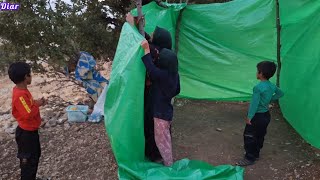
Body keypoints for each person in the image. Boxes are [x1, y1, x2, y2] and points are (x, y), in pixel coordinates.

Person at [126, 12, 174, 162]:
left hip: (156, 101)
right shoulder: (167, 57)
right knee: (159, 128)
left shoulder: (158, 55)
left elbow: (149, 50)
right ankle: (157, 152)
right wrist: (140, 27)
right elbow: (148, 41)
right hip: (159, 102)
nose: (150, 35)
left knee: (153, 126)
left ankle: (156, 154)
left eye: (153, 35)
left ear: (159, 41)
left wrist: (132, 26)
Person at [236, 61, 284, 166]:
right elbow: (281, 93)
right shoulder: (271, 86)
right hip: (266, 116)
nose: (256, 73)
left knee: (249, 136)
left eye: (257, 71)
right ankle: (256, 154)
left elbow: (254, 104)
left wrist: (249, 117)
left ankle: (249, 158)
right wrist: (269, 100)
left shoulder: (258, 88)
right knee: (260, 136)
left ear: (261, 73)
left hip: (256, 117)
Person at [141, 40, 180, 166]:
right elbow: (177, 89)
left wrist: (146, 50)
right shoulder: (174, 75)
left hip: (160, 115)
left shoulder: (162, 75)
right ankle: (167, 160)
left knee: (162, 140)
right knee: (165, 137)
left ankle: (168, 164)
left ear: (163, 63)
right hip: (167, 112)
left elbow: (151, 69)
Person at [8, 62, 46, 180]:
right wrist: (38, 104)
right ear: (26, 77)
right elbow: (28, 113)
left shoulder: (22, 91)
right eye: (30, 74)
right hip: (26, 134)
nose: (31, 76)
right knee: (28, 161)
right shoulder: (20, 95)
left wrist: (35, 102)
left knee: (34, 157)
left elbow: (28, 105)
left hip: (31, 132)